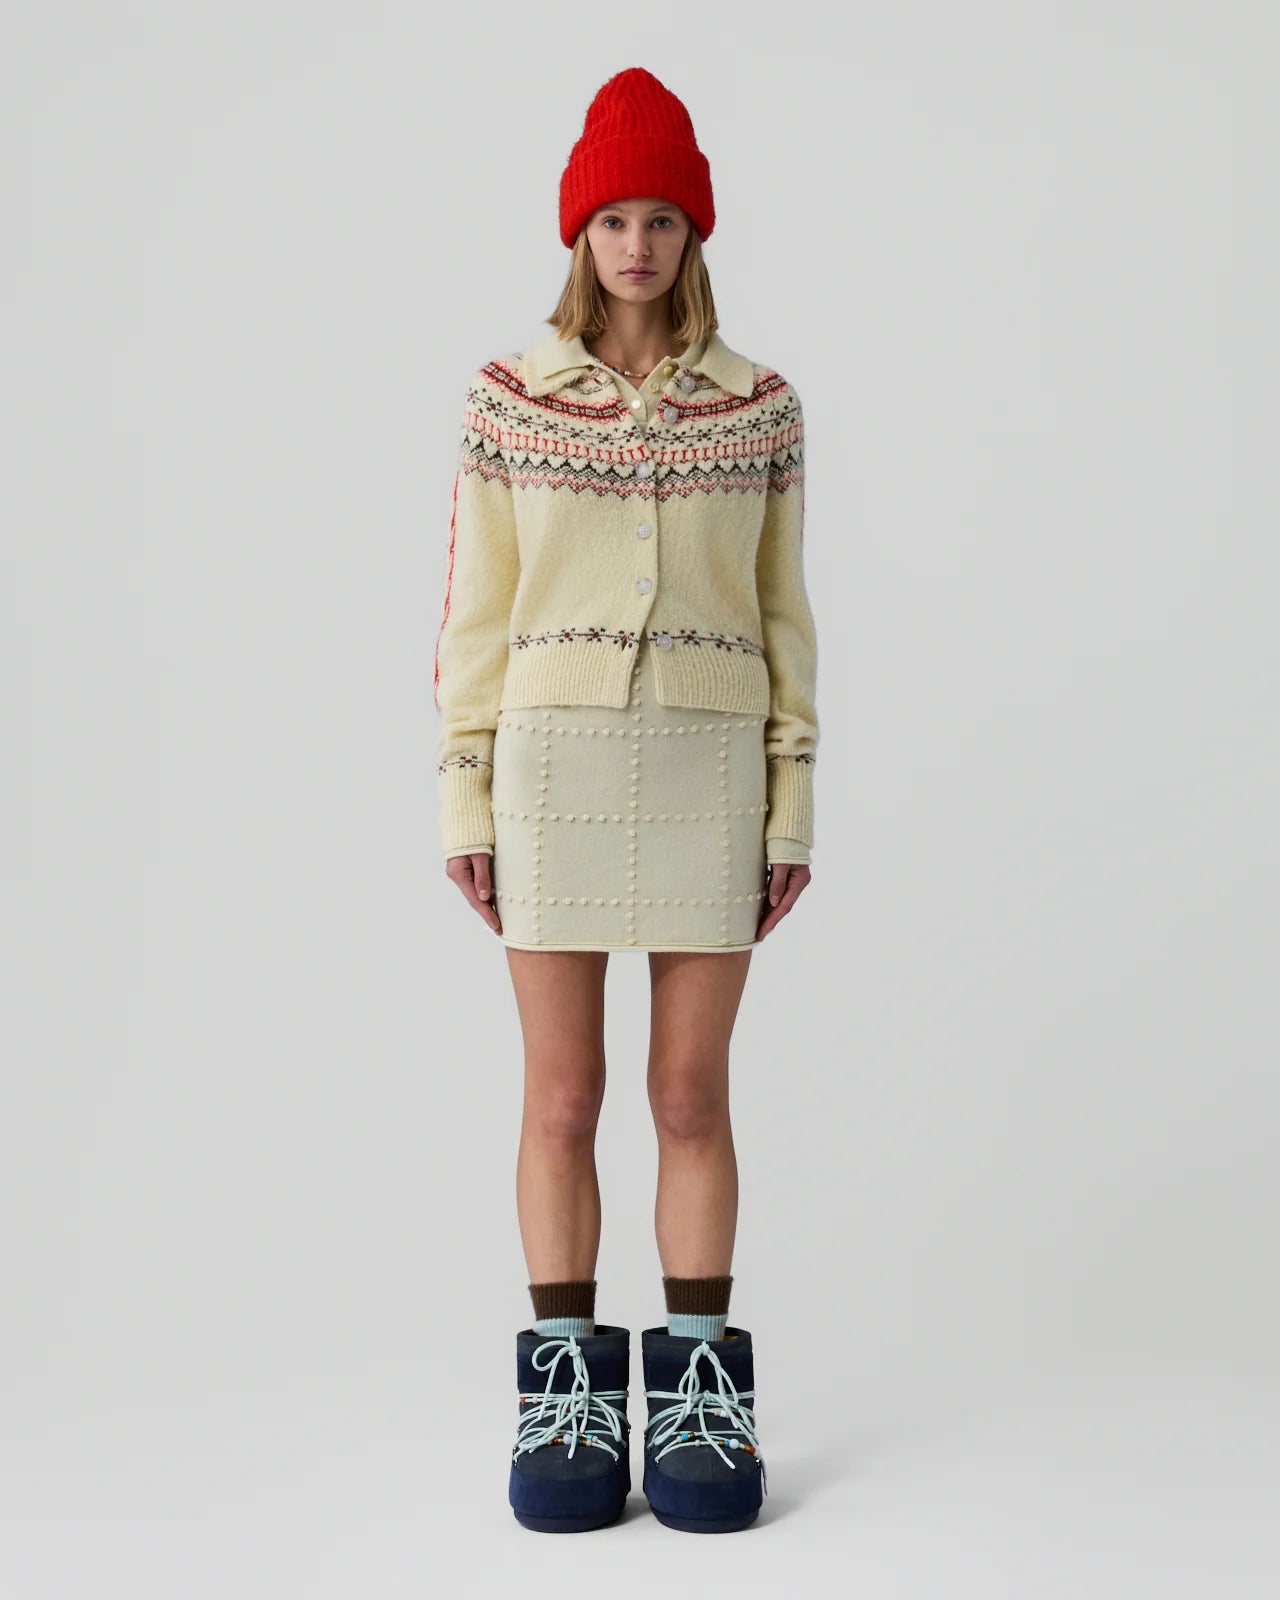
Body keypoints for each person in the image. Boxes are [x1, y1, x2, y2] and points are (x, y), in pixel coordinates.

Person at [432, 66, 819, 1533]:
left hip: (713, 766)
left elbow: (786, 620)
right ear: (579, 235)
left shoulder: (763, 408)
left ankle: (704, 1394)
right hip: (552, 769)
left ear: (693, 232)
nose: (637, 246)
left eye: (662, 219)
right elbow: (479, 614)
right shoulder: (510, 400)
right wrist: (466, 796)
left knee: (688, 1094)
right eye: (613, 220)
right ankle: (568, 1398)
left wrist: (790, 801)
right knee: (564, 1094)